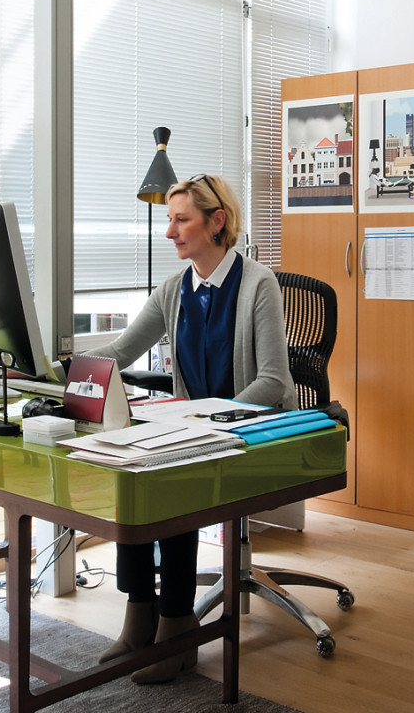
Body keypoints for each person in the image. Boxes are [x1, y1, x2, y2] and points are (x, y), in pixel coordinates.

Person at [87, 173, 294, 684]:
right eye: (169, 220)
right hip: (195, 428)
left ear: (217, 221)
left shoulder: (257, 283)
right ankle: (141, 615)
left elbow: (273, 381)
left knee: (172, 477)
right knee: (130, 472)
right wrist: (54, 365)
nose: (170, 232)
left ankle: (177, 628)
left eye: (181, 220)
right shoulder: (175, 289)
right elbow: (118, 353)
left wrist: (209, 419)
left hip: (248, 430)